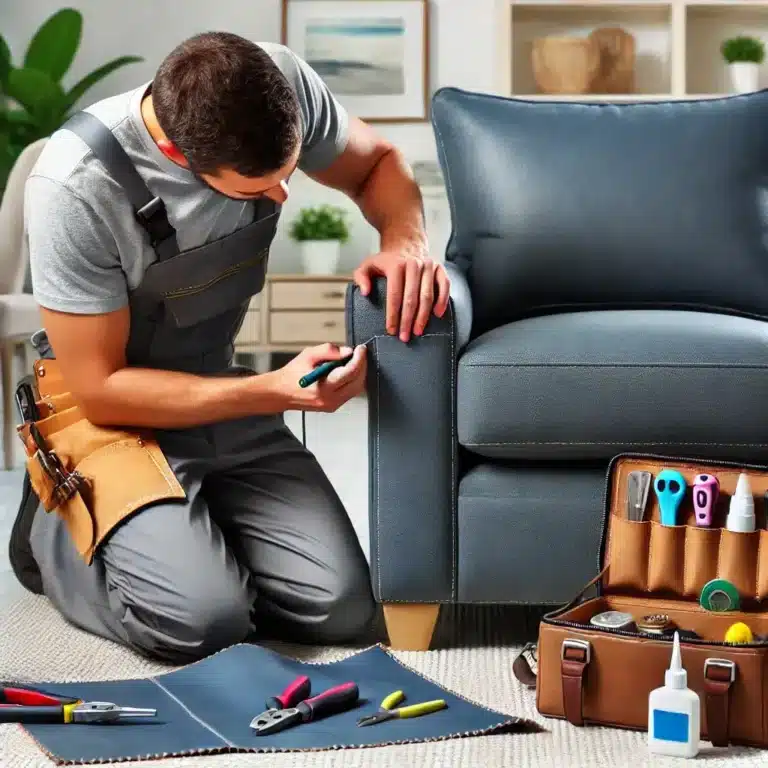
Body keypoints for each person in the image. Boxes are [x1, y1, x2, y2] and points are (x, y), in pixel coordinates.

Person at [12, 31, 450, 664]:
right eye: (253, 191)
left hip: (215, 389)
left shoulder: (277, 82)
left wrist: (406, 238)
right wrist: (272, 390)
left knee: (339, 609)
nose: (280, 198)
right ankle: (49, 534)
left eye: (287, 173)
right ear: (177, 154)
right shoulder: (77, 185)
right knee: (202, 624)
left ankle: (182, 521)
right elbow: (102, 388)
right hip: (105, 412)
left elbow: (378, 160)